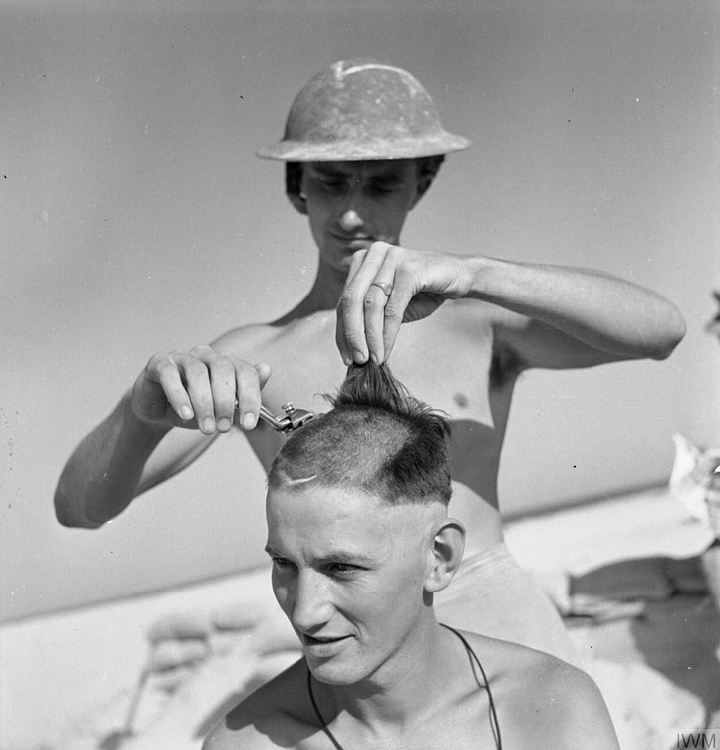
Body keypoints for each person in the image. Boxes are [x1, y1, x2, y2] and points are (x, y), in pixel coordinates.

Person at [54, 59, 685, 666]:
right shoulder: (252, 359)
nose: (354, 213)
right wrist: (139, 413)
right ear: (297, 187)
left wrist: (477, 274)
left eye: (382, 183)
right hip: (358, 653)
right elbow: (80, 509)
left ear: (422, 182)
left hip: (499, 623)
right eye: (331, 181)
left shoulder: (476, 320)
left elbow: (660, 331)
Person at [202, 363, 619, 750]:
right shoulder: (246, 743)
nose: (305, 613)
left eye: (341, 568)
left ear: (440, 558)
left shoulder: (551, 709)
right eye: (284, 564)